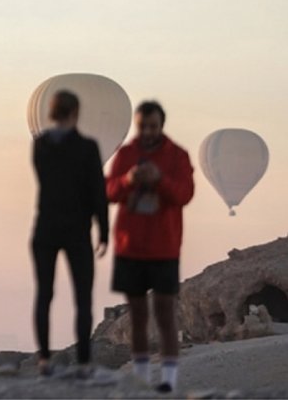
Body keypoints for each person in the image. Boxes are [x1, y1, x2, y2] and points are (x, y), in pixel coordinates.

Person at [106, 101, 194, 393]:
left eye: (152, 126)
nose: (147, 131)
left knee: (166, 314)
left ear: (161, 125)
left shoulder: (177, 156)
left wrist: (161, 181)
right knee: (138, 315)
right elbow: (108, 190)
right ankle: (142, 377)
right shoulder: (126, 154)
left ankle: (168, 379)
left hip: (164, 247)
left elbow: (185, 194)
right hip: (130, 247)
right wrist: (128, 179)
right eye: (142, 126)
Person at [31, 90, 109, 377]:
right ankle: (85, 361)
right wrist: (104, 229)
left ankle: (43, 360)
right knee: (83, 297)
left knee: (44, 294)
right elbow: (97, 191)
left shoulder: (41, 145)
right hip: (77, 229)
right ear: (75, 112)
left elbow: (46, 180)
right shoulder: (87, 147)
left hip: (46, 227)